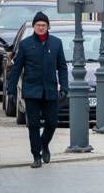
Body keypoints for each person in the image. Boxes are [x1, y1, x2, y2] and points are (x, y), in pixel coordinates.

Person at [5, 12, 68, 168]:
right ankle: (36, 156)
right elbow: (17, 68)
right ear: (34, 26)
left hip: (50, 90)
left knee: (52, 123)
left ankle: (43, 144)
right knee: (33, 125)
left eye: (44, 25)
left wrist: (64, 86)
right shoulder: (25, 44)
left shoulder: (56, 43)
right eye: (38, 25)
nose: (41, 27)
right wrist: (11, 90)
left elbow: (62, 67)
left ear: (48, 27)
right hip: (32, 90)